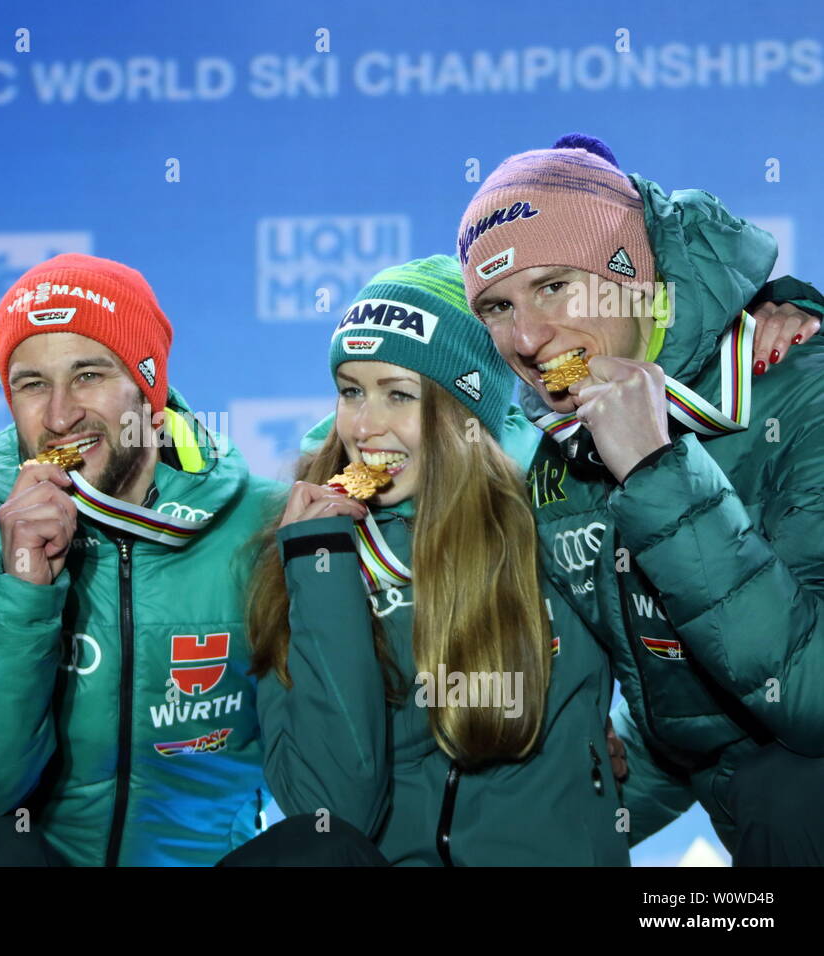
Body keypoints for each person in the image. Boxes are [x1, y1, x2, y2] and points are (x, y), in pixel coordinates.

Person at [457, 134, 824, 864]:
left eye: (554, 285)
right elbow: (693, 726)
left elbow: (807, 705)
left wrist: (655, 468)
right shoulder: (559, 460)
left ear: (630, 271)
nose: (527, 338)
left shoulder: (799, 388)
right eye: (497, 306)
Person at [230, 256, 629, 866]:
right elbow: (330, 819)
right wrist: (321, 569)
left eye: (399, 394)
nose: (365, 427)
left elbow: (689, 714)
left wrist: (599, 804)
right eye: (351, 392)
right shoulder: (305, 550)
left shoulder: (555, 519)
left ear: (462, 412)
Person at [0, 253, 281, 866]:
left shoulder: (261, 522)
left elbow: (330, 788)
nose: (59, 416)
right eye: (32, 384)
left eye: (89, 375)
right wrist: (21, 585)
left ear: (148, 387)